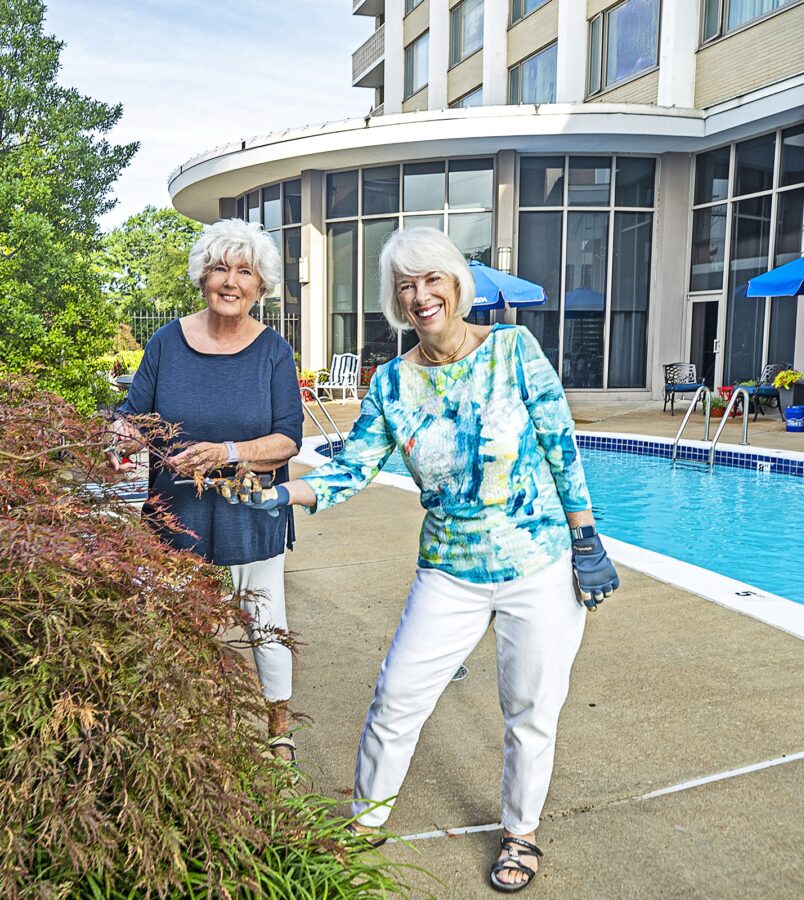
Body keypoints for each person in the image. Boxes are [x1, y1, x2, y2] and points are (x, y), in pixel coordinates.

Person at [218, 227, 619, 892]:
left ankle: (521, 834)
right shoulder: (394, 384)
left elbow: (560, 445)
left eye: (431, 279)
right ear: (395, 300)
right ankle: (366, 822)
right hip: (450, 570)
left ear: (456, 284)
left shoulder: (515, 351)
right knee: (398, 694)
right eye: (405, 285)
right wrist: (279, 492)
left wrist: (586, 539)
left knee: (530, 706)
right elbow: (353, 468)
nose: (420, 295)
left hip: (538, 564)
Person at [106, 218, 304, 763]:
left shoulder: (273, 352)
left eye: (245, 271)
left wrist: (229, 452)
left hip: (249, 505)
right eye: (220, 268)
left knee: (266, 621)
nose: (231, 281)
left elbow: (288, 438)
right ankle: (177, 720)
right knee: (171, 618)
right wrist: (123, 430)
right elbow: (135, 415)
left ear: (260, 287)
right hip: (175, 508)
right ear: (202, 278)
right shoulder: (167, 342)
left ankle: (278, 726)